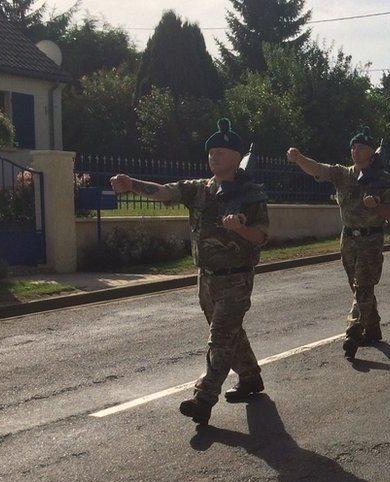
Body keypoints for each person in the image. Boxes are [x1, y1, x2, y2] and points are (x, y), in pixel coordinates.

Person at [109, 119, 270, 425]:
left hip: (236, 277)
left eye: (221, 152)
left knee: (220, 338)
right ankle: (250, 377)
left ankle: (204, 397)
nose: (214, 157)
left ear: (237, 157)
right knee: (228, 333)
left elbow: (262, 236)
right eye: (211, 152)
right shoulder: (199, 190)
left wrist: (242, 227)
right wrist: (133, 185)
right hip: (205, 278)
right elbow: (165, 192)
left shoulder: (251, 195)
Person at [287, 127, 390, 360]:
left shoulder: (383, 179)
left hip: (371, 238)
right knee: (358, 287)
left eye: (361, 147)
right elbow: (318, 169)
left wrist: (375, 206)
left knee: (363, 287)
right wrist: (299, 158)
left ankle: (353, 332)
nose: (355, 151)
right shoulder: (343, 174)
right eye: (353, 147)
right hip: (348, 239)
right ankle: (373, 327)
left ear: (371, 152)